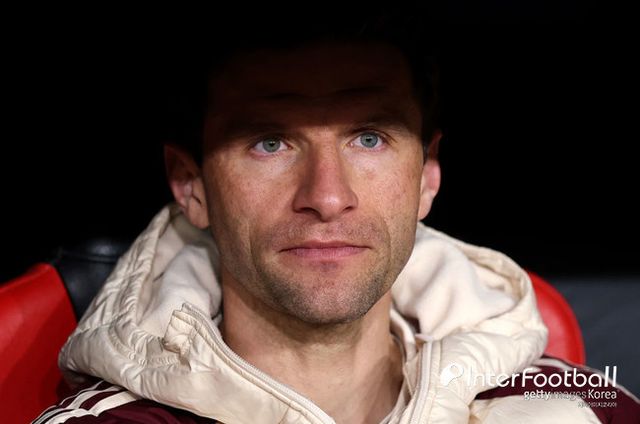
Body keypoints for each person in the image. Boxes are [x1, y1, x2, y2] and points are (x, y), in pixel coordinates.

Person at [34, 13, 639, 424]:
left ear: (427, 176)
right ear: (192, 185)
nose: (327, 197)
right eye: (269, 142)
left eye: (369, 138)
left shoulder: (589, 410)